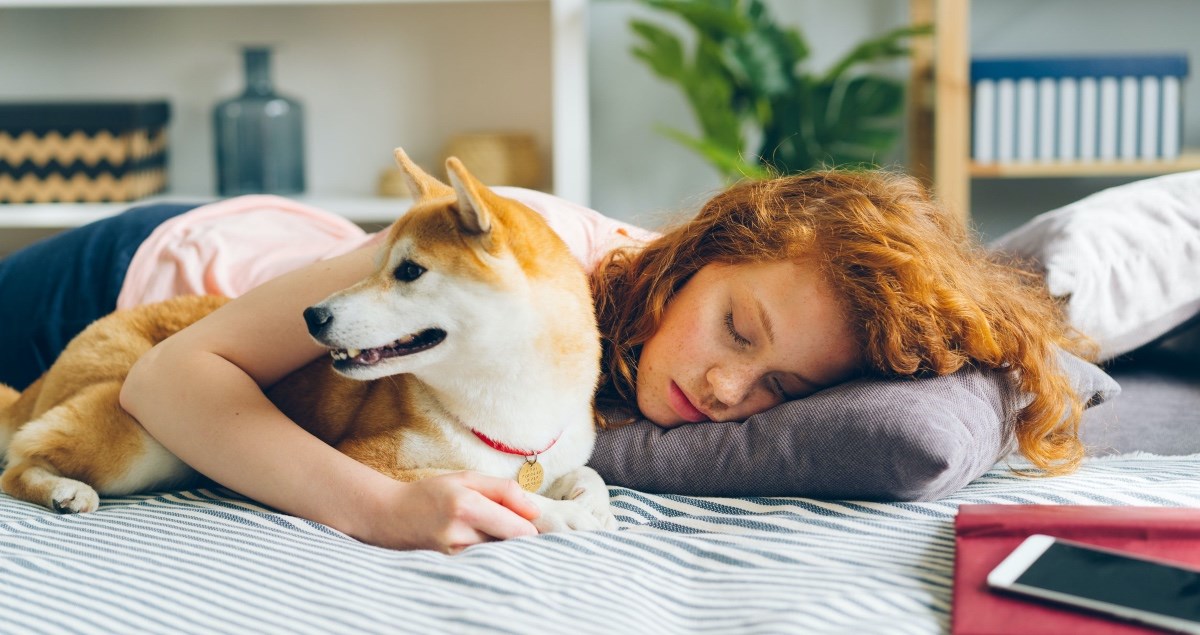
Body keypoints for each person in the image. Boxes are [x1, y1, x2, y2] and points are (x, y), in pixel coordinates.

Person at [0, 168, 1091, 552]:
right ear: (694, 258)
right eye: (737, 330)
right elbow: (165, 380)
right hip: (131, 285)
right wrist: (376, 509)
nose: (725, 389)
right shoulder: (520, 251)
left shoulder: (644, 379)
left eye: (779, 390)